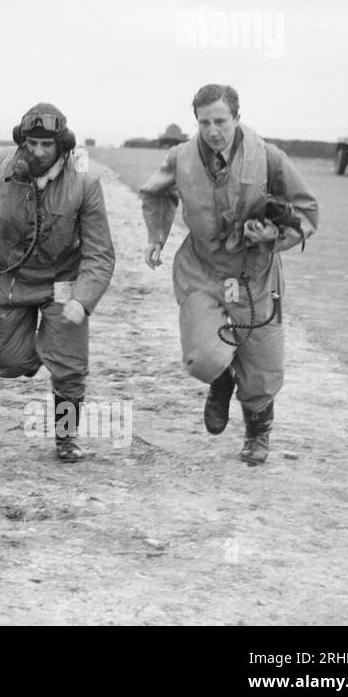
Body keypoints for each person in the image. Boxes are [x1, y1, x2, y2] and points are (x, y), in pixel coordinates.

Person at [140, 84, 319, 465]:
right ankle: (220, 379)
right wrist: (157, 237)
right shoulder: (181, 157)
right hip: (203, 270)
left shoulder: (268, 157)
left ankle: (257, 433)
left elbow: (306, 212)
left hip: (254, 274)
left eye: (220, 120)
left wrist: (274, 234)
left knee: (263, 373)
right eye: (204, 122)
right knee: (203, 356)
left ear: (237, 117)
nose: (212, 130)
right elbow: (156, 194)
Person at [0, 103, 116, 461]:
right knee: (9, 363)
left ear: (62, 145)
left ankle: (66, 438)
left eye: (47, 145)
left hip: (62, 281)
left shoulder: (85, 182)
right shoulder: (2, 163)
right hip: (11, 276)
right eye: (31, 143)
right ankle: (50, 349)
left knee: (70, 368)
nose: (38, 152)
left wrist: (83, 298)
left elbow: (100, 252)